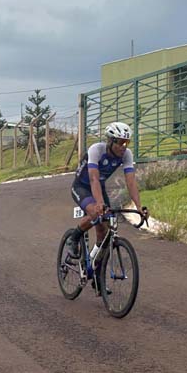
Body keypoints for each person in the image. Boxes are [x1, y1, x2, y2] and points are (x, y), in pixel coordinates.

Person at [67, 122, 147, 288]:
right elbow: (93, 178)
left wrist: (138, 207)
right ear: (110, 141)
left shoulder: (126, 155)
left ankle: (97, 271)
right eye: (120, 142)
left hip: (99, 187)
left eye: (127, 142)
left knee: (105, 231)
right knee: (96, 214)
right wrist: (100, 204)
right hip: (82, 187)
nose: (123, 146)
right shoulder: (96, 150)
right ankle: (74, 237)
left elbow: (131, 182)